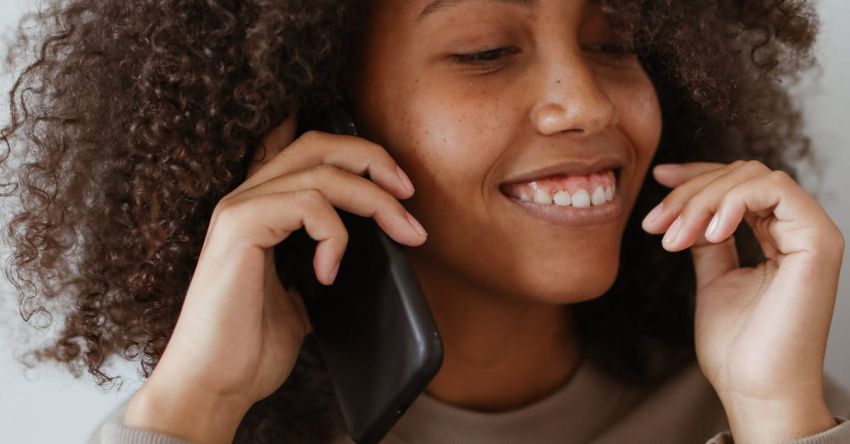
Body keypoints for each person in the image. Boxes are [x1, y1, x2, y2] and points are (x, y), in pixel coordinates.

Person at [2, 0, 849, 443]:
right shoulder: (205, 429)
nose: (585, 104)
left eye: (614, 42)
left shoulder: (769, 405)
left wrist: (776, 412)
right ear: (325, 125)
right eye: (484, 50)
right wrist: (196, 405)